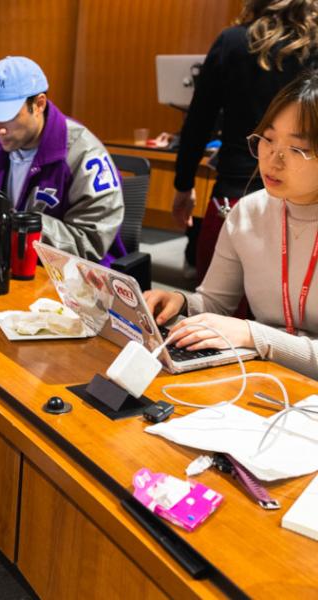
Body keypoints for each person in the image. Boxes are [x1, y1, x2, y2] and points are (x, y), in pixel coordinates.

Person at [146, 69, 318, 380]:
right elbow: (216, 303)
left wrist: (256, 336)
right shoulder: (248, 212)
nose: (273, 159)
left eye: (296, 149)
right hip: (266, 380)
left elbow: (251, 334)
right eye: (267, 139)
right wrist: (179, 301)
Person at [173, 0, 318, 282]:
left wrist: (183, 185)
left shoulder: (233, 41)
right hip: (303, 201)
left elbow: (198, 122)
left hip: (234, 190)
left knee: (217, 310)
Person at [0, 56, 125, 265]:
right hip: (9, 261)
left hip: (71, 278)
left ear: (39, 104)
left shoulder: (84, 154)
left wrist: (13, 224)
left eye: (9, 115)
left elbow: (90, 242)